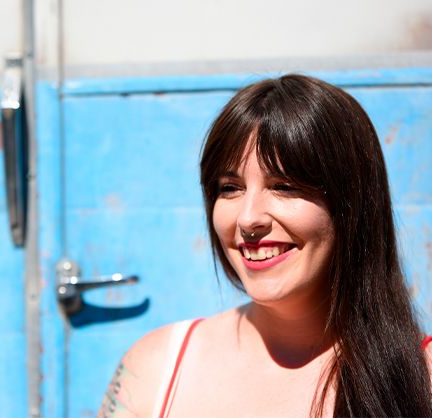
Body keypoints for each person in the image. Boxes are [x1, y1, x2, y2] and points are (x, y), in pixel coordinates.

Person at [97, 74, 432, 418]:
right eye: (230, 188)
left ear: (352, 205)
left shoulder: (423, 380)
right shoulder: (154, 369)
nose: (248, 218)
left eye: (284, 186)